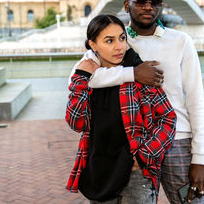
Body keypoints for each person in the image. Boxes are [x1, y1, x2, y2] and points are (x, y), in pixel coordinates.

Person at [72, 0, 204, 203]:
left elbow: (196, 100)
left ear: (160, 4)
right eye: (140, 1)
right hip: (132, 146)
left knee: (190, 201)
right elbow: (79, 76)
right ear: (127, 5)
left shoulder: (180, 41)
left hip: (178, 141)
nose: (148, 6)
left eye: (154, 2)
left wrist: (200, 158)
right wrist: (133, 73)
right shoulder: (116, 40)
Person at [66, 14, 177, 204]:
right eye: (109, 41)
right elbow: (77, 123)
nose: (119, 47)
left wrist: (143, 157)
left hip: (135, 175)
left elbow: (168, 118)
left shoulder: (141, 75)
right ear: (93, 45)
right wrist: (81, 79)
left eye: (122, 38)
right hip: (99, 171)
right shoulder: (88, 79)